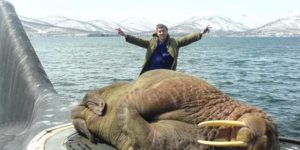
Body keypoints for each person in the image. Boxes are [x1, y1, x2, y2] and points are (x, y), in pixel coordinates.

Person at [117, 24, 210, 75]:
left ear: (167, 31)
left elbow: (187, 38)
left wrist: (201, 33)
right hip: (151, 73)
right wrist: (125, 35)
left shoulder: (175, 42)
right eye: (160, 31)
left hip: (167, 74)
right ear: (157, 33)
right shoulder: (151, 43)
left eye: (164, 31)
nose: (162, 33)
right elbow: (138, 41)